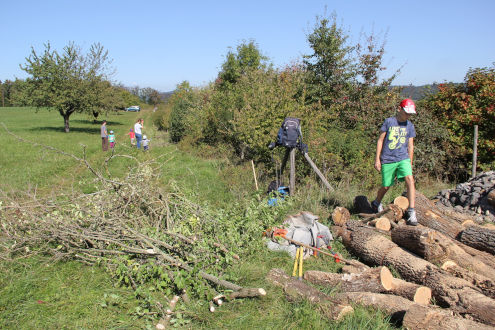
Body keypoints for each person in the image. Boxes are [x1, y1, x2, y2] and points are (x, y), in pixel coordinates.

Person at [372, 99, 418, 226]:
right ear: (399, 109)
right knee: (386, 185)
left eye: (410, 113)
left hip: (403, 158)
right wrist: (377, 159)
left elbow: (411, 146)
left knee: (410, 179)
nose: (408, 115)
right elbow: (380, 140)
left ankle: (411, 211)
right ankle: (376, 202)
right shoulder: (389, 122)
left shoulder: (410, 126)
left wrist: (410, 162)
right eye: (406, 112)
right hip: (388, 159)